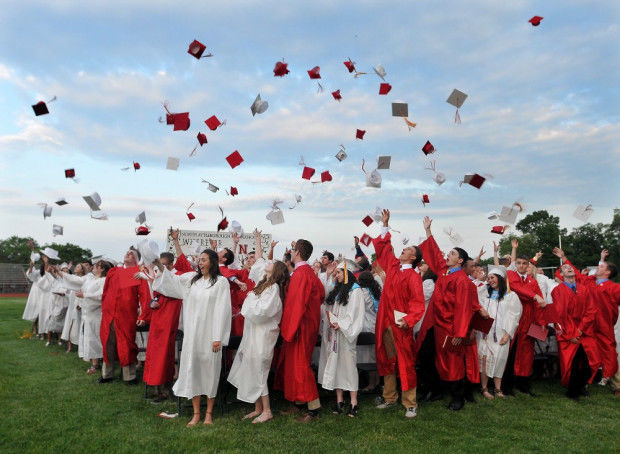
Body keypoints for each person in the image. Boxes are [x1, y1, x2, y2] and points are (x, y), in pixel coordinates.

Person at [151, 249, 232, 426]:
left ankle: (209, 414)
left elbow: (223, 310)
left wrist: (218, 336)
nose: (199, 263)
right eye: (199, 260)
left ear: (212, 261)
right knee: (193, 371)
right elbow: (170, 282)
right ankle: (196, 413)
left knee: (210, 372)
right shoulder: (191, 280)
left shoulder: (221, 282)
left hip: (211, 335)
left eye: (203, 260)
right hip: (193, 335)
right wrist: (157, 263)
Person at [417, 216, 481, 411]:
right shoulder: (444, 272)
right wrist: (428, 230)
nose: (448, 255)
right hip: (434, 323)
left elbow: (463, 309)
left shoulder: (463, 281)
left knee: (453, 362)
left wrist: (459, 333)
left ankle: (457, 397)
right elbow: (435, 253)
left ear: (460, 260)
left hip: (451, 327)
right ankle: (434, 390)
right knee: (427, 355)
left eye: (452, 253)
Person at [228, 229, 289, 424]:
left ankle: (267, 410)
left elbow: (262, 312)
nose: (266, 264)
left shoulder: (272, 289)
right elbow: (261, 261)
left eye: (271, 263)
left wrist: (247, 306)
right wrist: (257, 240)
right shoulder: (263, 284)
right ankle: (257, 408)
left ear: (276, 270)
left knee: (260, 371)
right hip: (253, 332)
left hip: (263, 334)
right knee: (252, 368)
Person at [372, 209, 425, 419]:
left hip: (401, 324)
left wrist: (407, 320)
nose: (402, 250)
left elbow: (418, 304)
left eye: (407, 250)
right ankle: (389, 397)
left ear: (413, 257)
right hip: (385, 321)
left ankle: (410, 403)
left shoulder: (413, 277)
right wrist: (385, 224)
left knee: (405, 362)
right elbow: (384, 249)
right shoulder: (393, 267)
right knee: (386, 359)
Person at [553, 248, 619, 390]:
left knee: (606, 351)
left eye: (601, 266)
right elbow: (575, 274)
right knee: (585, 355)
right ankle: (584, 382)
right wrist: (564, 258)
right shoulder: (588, 282)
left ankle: (609, 378)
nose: (597, 268)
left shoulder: (613, 287)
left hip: (601, 323)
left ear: (607, 272)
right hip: (585, 326)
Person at [141, 229, 194, 401]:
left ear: (171, 264)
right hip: (159, 317)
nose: (159, 268)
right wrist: (151, 302)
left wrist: (176, 241)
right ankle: (157, 388)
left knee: (168, 354)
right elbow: (155, 293)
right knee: (155, 353)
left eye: (163, 264)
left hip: (173, 319)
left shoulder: (181, 275)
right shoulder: (160, 275)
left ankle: (168, 389)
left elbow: (181, 267)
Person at [276, 238, 325, 423]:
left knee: (301, 366)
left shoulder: (301, 274)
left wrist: (290, 328)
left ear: (297, 252)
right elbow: (320, 293)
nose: (291, 250)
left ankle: (313, 409)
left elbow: (296, 305)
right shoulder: (308, 272)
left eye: (293, 249)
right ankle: (298, 402)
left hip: (300, 327)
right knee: (294, 365)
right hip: (305, 325)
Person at [319, 262, 365, 417]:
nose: (336, 275)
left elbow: (356, 315)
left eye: (339, 273)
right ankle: (339, 400)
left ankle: (353, 402)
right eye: (336, 273)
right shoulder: (339, 290)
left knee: (349, 367)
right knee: (336, 365)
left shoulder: (355, 291)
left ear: (347, 273)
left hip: (346, 335)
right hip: (336, 334)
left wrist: (342, 325)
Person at [99, 247, 151, 384]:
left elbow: (145, 296)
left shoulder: (138, 273)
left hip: (126, 315)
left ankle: (129, 375)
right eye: (127, 252)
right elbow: (105, 291)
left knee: (126, 343)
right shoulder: (113, 271)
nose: (128, 254)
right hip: (109, 314)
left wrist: (143, 316)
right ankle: (106, 374)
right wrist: (104, 308)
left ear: (136, 258)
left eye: (132, 253)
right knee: (107, 342)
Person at [502, 239, 547, 396]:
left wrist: (541, 323)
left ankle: (524, 384)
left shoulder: (532, 281)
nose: (521, 266)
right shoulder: (510, 275)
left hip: (528, 321)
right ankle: (507, 386)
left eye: (524, 263)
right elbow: (517, 288)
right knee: (510, 352)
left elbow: (540, 304)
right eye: (519, 263)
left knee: (527, 354)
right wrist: (534, 296)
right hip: (513, 320)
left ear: (528, 265)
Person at [550, 263, 600, 400]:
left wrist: (580, 329)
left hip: (584, 332)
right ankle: (572, 391)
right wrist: (571, 334)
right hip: (568, 333)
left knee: (590, 361)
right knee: (571, 363)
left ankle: (582, 385)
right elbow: (560, 315)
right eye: (565, 268)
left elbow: (591, 311)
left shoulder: (584, 289)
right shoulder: (558, 291)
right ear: (561, 274)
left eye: (570, 267)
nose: (569, 268)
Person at [477, 266, 522, 399]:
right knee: (484, 359)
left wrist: (508, 334)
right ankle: (484, 388)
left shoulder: (510, 296)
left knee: (500, 359)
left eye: (493, 277)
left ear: (501, 279)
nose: (490, 280)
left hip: (501, 333)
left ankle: (497, 389)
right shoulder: (485, 295)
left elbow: (515, 315)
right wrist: (485, 283)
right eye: (489, 278)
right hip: (486, 333)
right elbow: (475, 295)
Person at [62, 261, 111, 374]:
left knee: (98, 338)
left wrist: (85, 295)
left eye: (96, 266)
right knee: (90, 338)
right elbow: (76, 280)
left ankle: (105, 362)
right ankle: (95, 364)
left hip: (97, 313)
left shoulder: (103, 280)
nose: (93, 267)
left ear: (102, 269)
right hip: (87, 314)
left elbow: (101, 295)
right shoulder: (90, 278)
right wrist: (61, 274)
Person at [61, 263, 86, 353]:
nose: (76, 267)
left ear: (82, 270)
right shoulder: (73, 278)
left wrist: (80, 304)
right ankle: (69, 346)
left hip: (78, 306)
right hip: (71, 305)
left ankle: (80, 346)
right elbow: (67, 283)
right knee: (69, 324)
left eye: (78, 267)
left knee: (77, 326)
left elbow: (83, 292)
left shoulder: (83, 279)